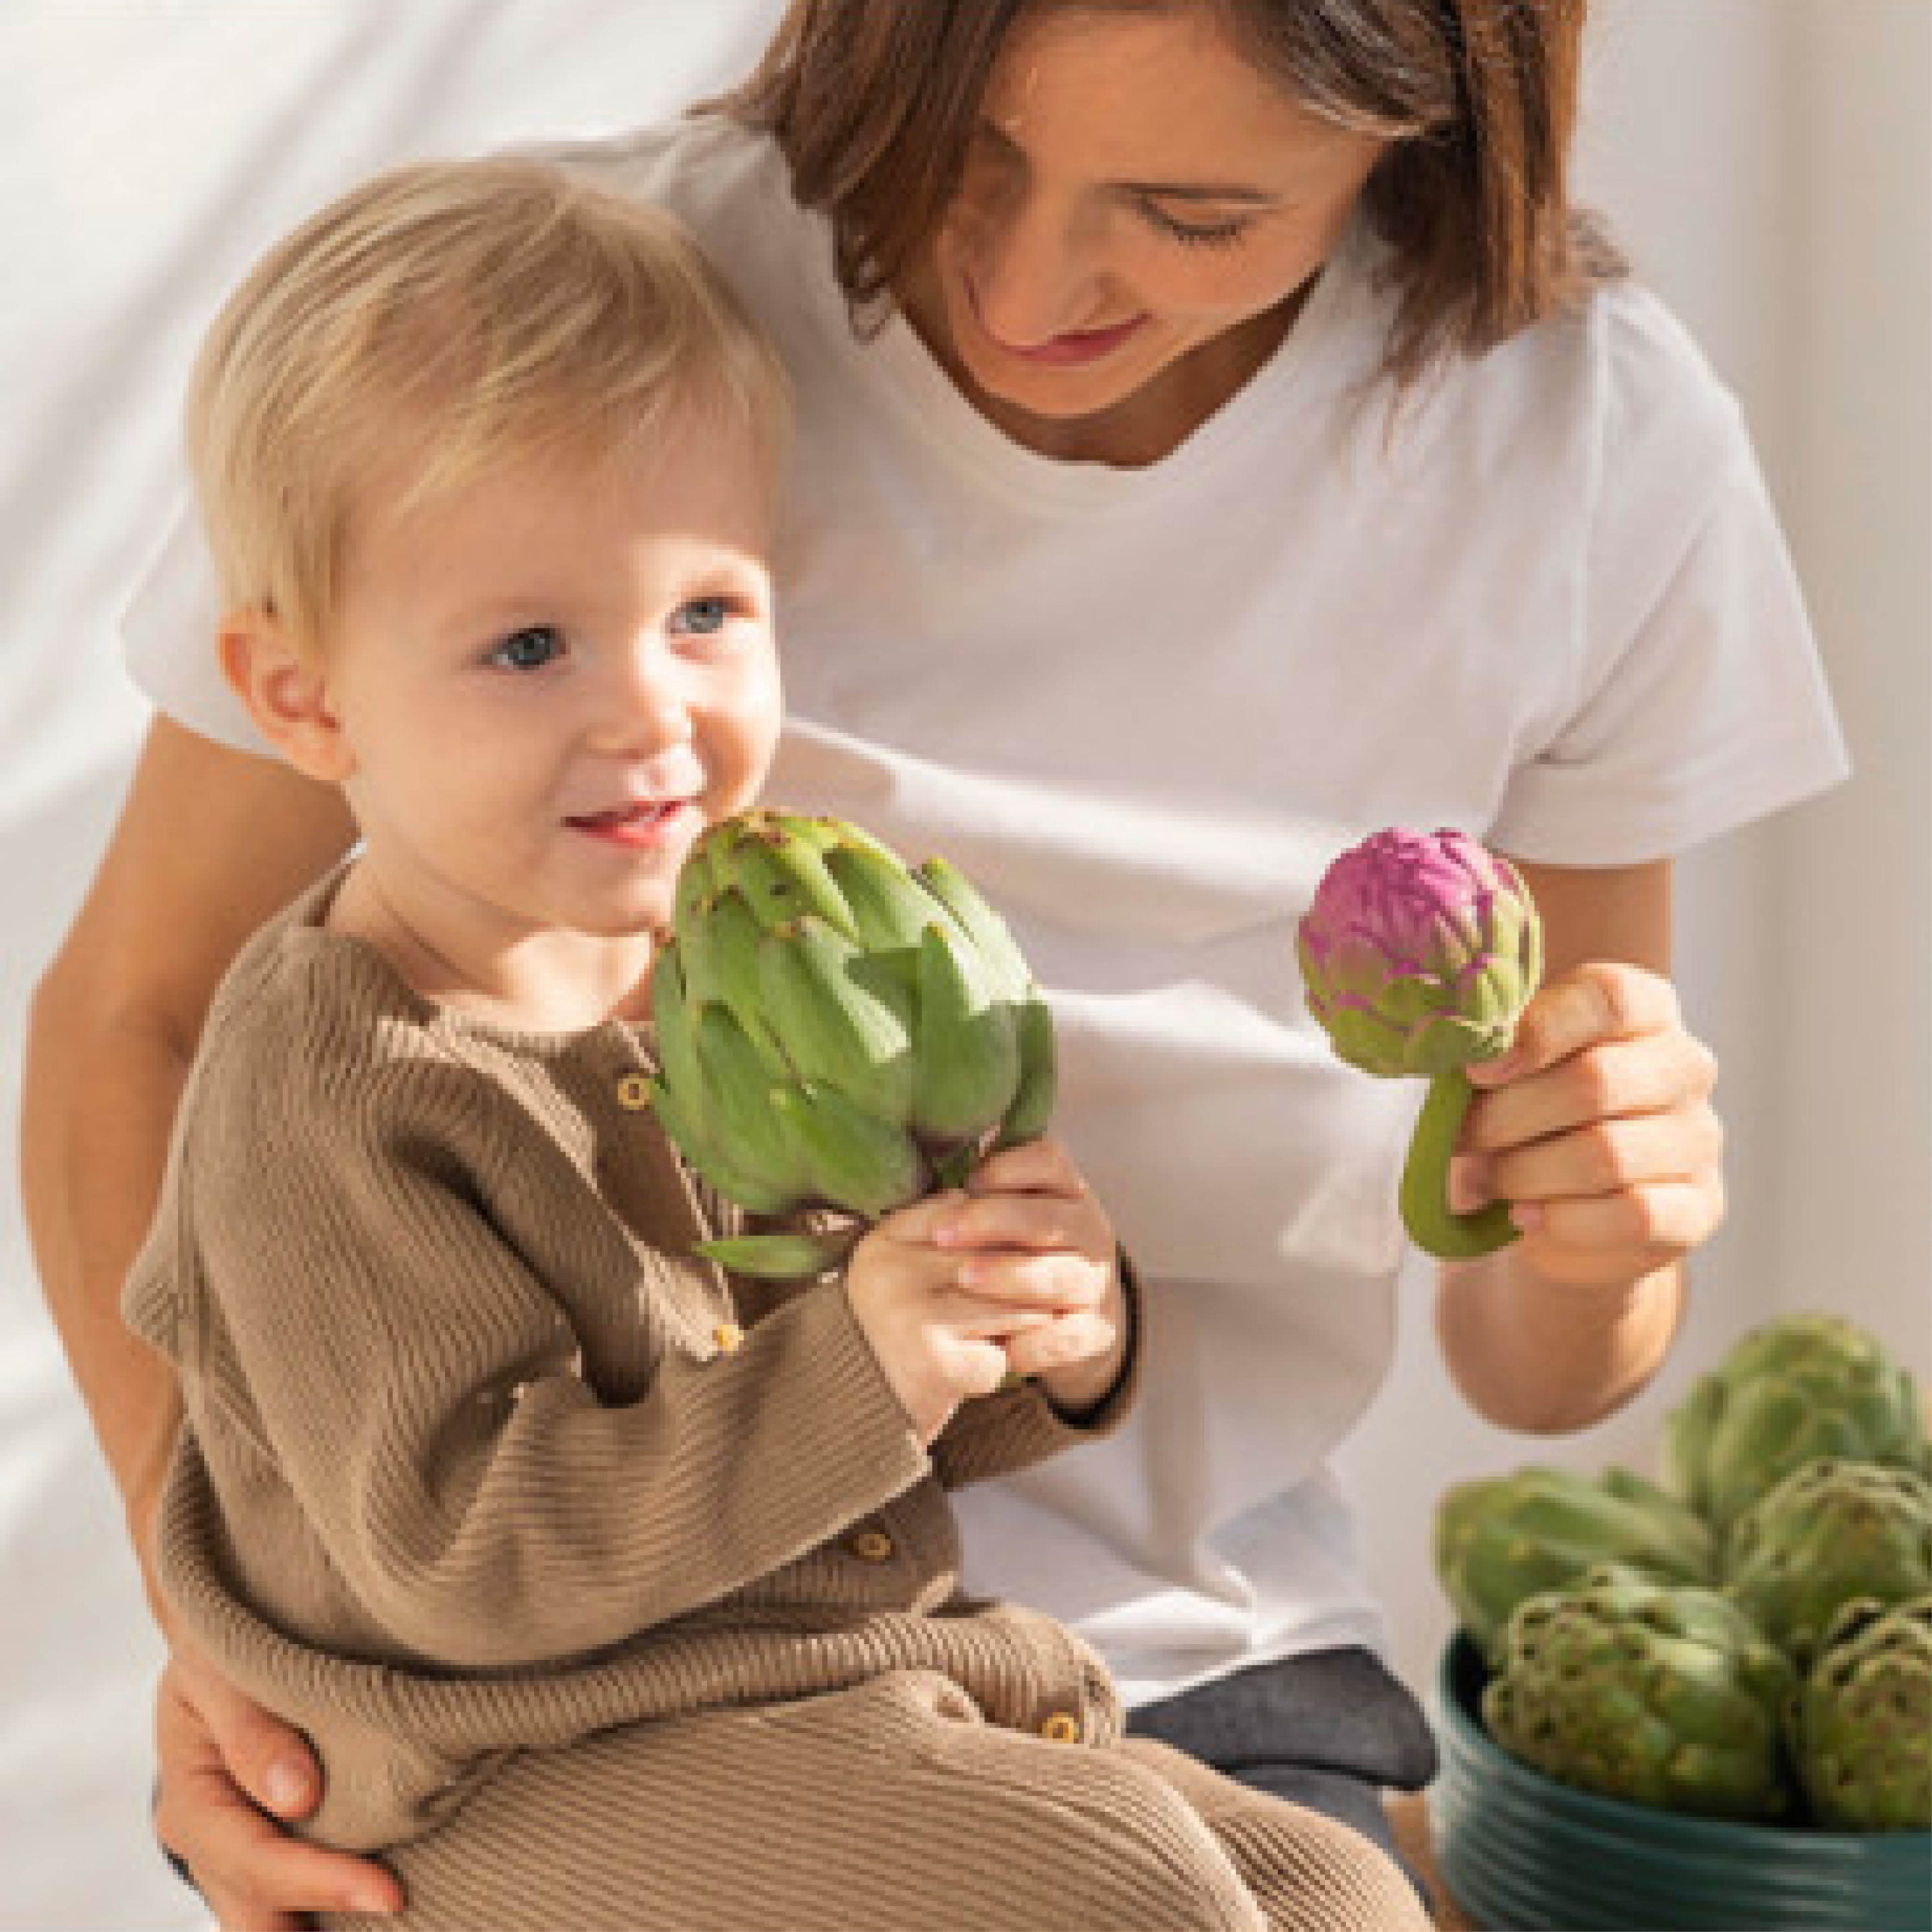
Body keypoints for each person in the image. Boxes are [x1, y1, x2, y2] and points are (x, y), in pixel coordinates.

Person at [22, 2, 1845, 1924]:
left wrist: (1576, 1223)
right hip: (584, 1710)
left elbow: (1548, 1366)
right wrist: (242, 1644)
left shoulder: (1586, 450)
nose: (1023, 276)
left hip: (1092, 1641)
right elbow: (146, 1031)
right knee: (1132, 1895)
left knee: (1330, 1898)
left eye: (1191, 211)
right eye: (968, 146)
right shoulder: (549, 338)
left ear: (1429, 129)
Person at [111, 150, 1434, 1932]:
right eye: (527, 646)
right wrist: (865, 1372)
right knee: (1129, 1898)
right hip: (517, 1764)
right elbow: (462, 1558)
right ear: (298, 694)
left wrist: (1036, 1330)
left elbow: (837, 1433)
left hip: (827, 1689)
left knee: (1337, 1897)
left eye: (706, 614)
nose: (650, 710)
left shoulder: (722, 982)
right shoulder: (340, 1083)